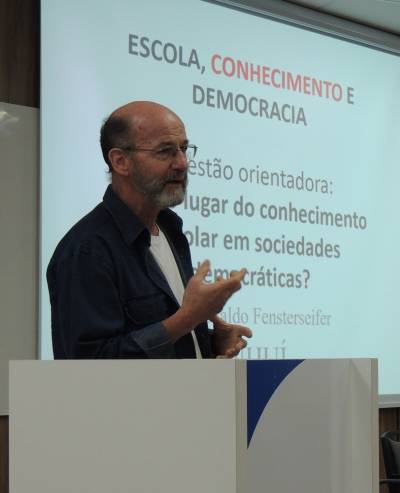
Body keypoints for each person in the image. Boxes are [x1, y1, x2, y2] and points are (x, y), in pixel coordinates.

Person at [47, 101, 251, 359]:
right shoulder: (87, 251)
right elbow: (91, 364)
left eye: (184, 149)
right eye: (165, 151)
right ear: (121, 161)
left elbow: (154, 337)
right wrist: (188, 319)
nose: (182, 163)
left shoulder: (170, 230)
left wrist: (207, 344)